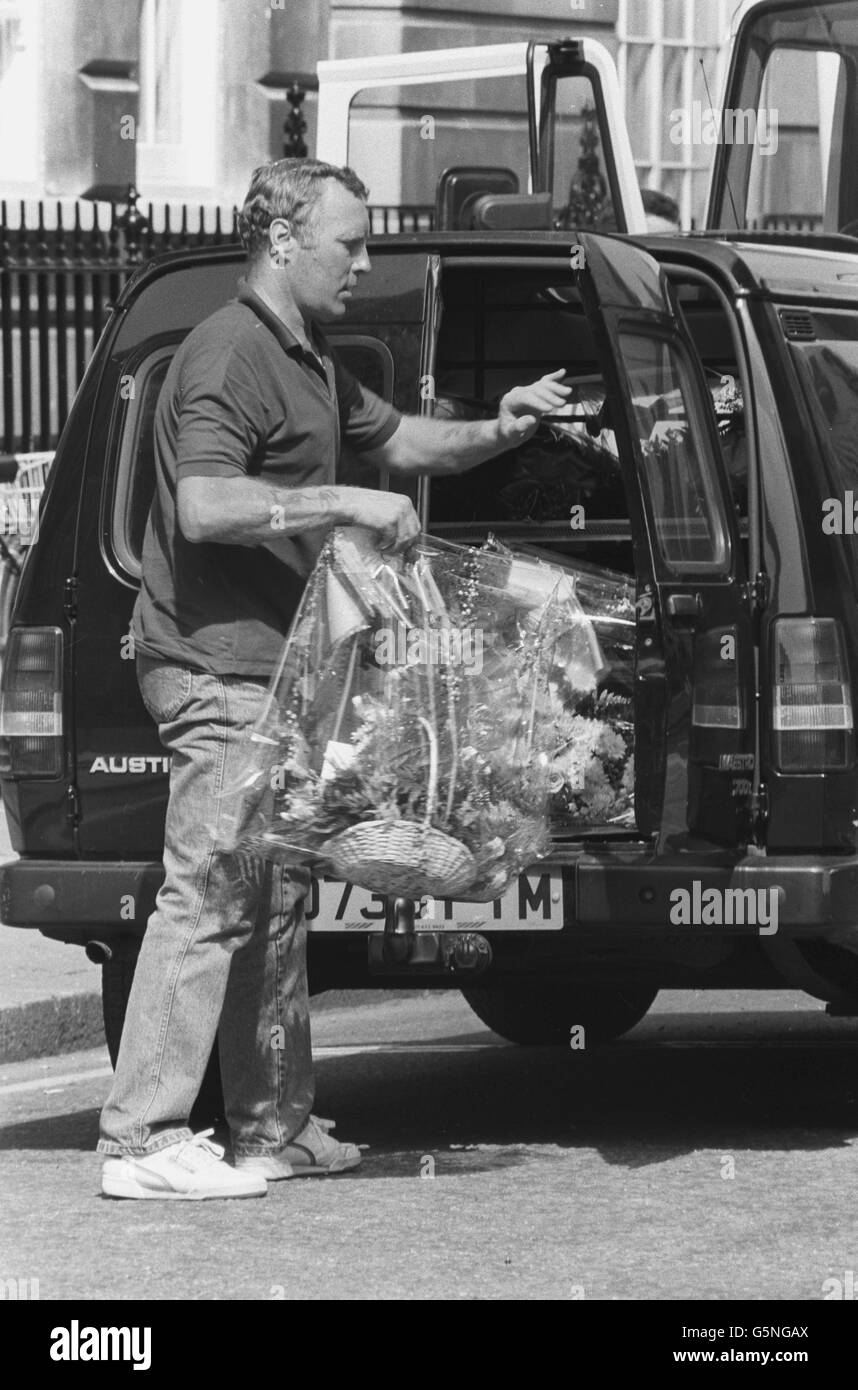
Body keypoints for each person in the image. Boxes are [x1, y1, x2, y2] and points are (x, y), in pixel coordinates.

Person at [98, 157, 571, 1200]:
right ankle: (139, 1141)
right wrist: (344, 505)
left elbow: (405, 440)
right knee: (212, 889)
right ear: (281, 240)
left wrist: (506, 423)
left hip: (277, 675)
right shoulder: (227, 354)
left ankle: (272, 1125)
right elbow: (205, 508)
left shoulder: (306, 358)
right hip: (212, 668)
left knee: (272, 898)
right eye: (348, 244)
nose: (363, 262)